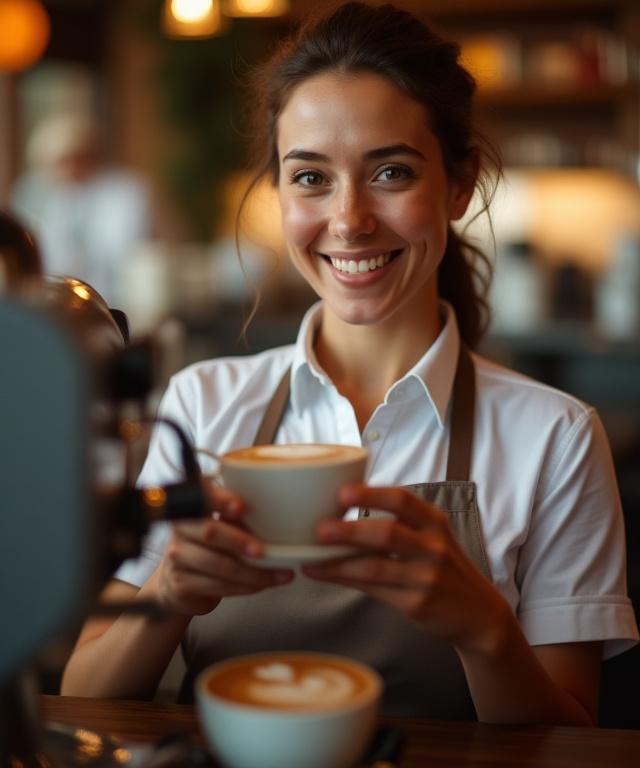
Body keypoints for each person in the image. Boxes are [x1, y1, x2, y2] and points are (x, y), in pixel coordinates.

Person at [61, 2, 638, 723]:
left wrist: (484, 628)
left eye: (391, 171)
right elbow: (81, 699)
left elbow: (573, 743)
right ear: (278, 189)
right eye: (311, 178)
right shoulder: (202, 404)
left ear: (459, 185)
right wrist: (168, 591)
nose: (348, 219)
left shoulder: (556, 436)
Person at [10, 112, 152, 308]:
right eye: (55, 164)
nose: (65, 170)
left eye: (71, 159)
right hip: (60, 304)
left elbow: (126, 251)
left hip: (119, 300)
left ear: (88, 155)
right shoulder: (43, 196)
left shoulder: (124, 190)